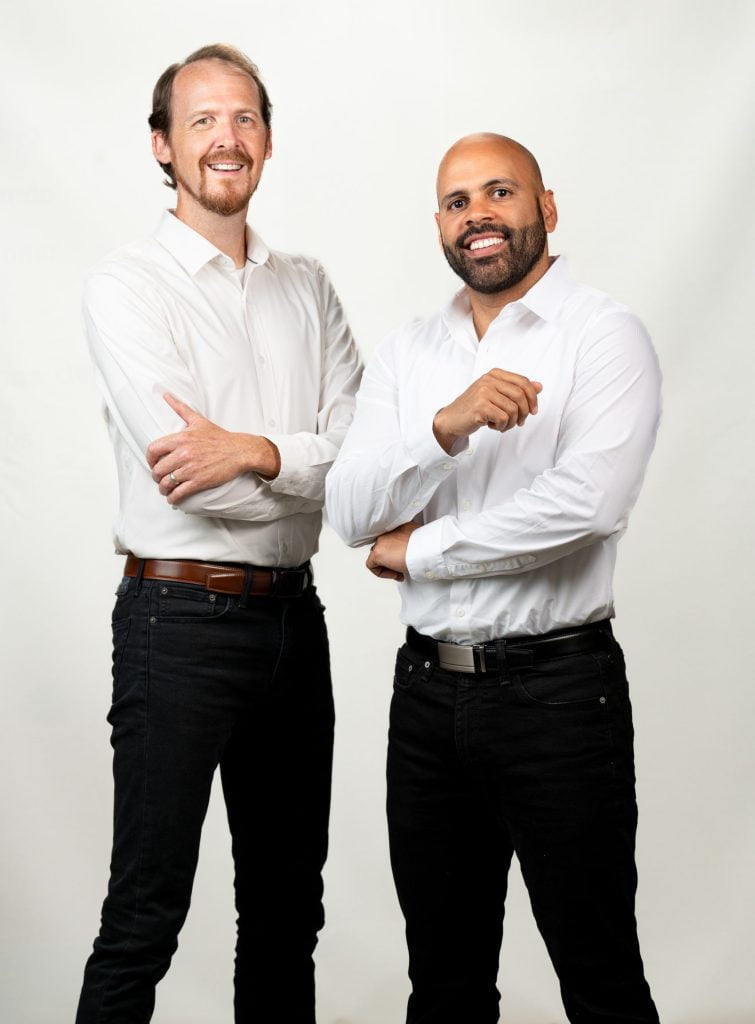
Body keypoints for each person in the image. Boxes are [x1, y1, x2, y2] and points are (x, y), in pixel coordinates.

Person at [326, 132, 661, 1023]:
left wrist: (421, 552)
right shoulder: (408, 354)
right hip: (426, 698)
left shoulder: (602, 334)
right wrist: (445, 426)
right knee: (443, 983)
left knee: (599, 975)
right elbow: (349, 511)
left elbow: (584, 505)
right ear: (440, 225)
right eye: (456, 201)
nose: (477, 214)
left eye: (499, 192)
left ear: (545, 208)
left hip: (557, 696)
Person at [76, 44, 361, 1024]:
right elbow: (184, 476)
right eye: (200, 120)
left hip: (295, 625)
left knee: (286, 916)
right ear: (162, 145)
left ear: (267, 140)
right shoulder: (127, 285)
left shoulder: (308, 288)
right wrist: (302, 472)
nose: (224, 139)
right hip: (178, 624)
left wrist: (252, 452)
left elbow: (361, 462)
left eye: (242, 118)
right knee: (144, 915)